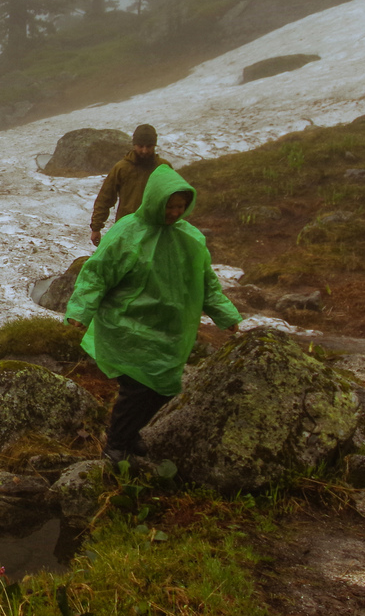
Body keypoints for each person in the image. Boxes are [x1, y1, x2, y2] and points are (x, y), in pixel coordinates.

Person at [64, 165, 242, 455]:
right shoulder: (127, 233)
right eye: (169, 206)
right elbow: (97, 273)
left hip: (169, 331)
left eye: (180, 207)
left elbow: (206, 281)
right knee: (135, 389)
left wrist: (225, 314)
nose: (174, 212)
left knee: (163, 389)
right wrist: (80, 310)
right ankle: (117, 445)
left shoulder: (190, 239)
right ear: (155, 201)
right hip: (128, 327)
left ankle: (130, 436)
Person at [90, 124, 163, 243]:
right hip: (127, 229)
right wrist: (96, 228)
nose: (144, 150)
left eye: (149, 146)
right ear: (134, 145)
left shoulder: (163, 167)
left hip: (156, 230)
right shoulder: (121, 168)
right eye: (140, 146)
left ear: (154, 145)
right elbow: (105, 198)